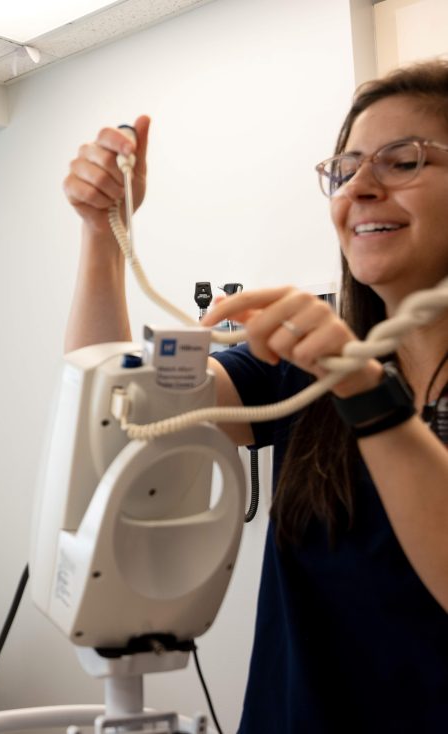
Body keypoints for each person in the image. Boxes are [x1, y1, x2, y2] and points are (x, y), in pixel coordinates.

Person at [61, 60, 448, 732]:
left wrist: (363, 390)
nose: (359, 187)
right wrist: (103, 234)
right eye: (346, 167)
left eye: (402, 161)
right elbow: (115, 410)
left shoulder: (334, 366)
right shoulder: (308, 363)